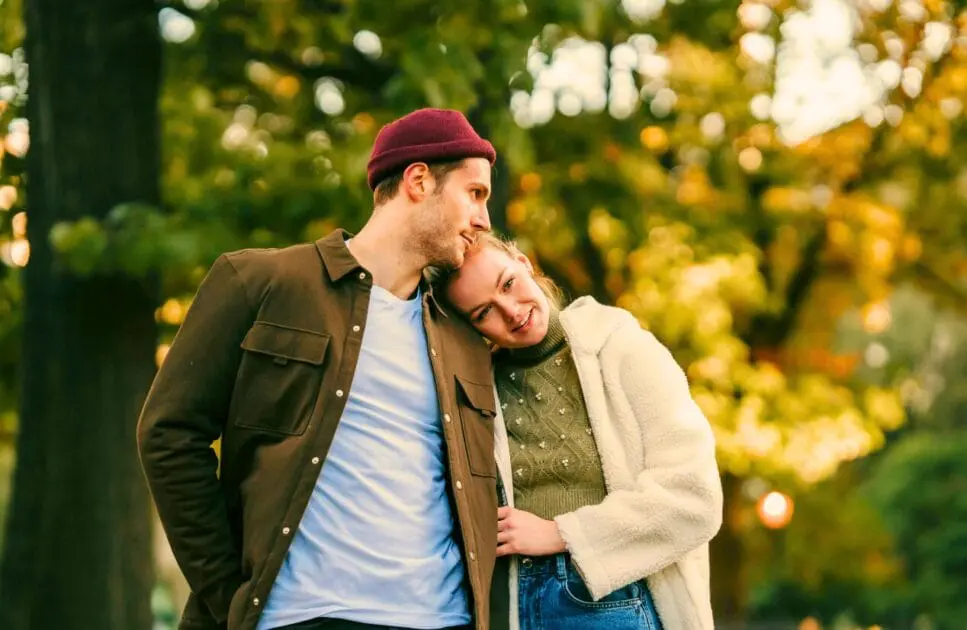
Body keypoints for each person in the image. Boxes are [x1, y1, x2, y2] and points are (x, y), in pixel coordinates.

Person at [137, 108, 502, 630]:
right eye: (475, 194)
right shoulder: (262, 282)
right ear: (419, 180)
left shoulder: (463, 335)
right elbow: (168, 434)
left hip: (444, 618)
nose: (484, 219)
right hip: (303, 616)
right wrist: (227, 594)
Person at [436, 233, 723, 630]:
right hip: (512, 608)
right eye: (484, 312)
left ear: (522, 261)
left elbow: (694, 498)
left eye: (508, 284)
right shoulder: (477, 390)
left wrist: (562, 533)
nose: (510, 311)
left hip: (611, 599)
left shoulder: (624, 349)